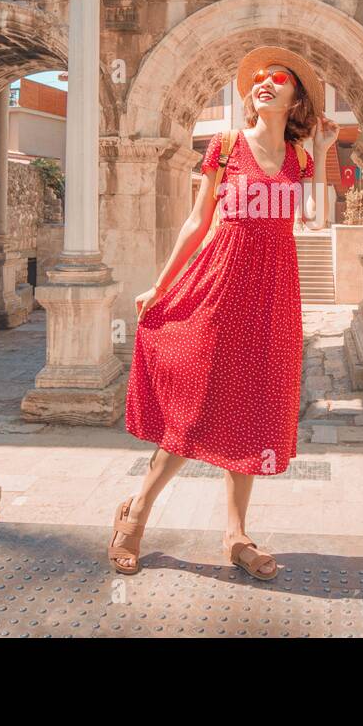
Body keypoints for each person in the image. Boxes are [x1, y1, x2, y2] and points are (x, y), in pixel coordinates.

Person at [108, 45, 340, 580]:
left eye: (277, 78)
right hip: (219, 283)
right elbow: (196, 223)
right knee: (196, 404)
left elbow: (311, 218)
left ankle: (236, 535)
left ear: (294, 96)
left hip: (274, 294)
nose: (263, 82)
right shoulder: (227, 144)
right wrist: (159, 284)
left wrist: (324, 151)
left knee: (256, 409)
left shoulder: (300, 158)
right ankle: (136, 514)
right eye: (256, 77)